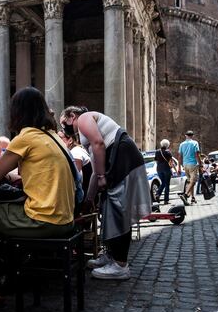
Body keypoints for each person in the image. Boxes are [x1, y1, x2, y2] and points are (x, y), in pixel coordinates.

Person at [0, 87, 75, 274]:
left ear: (17, 112)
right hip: (66, 219)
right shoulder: (52, 136)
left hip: (43, 220)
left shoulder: (26, 136)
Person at [60, 106, 152, 280]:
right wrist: (89, 198)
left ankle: (120, 264)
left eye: (64, 123)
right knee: (109, 207)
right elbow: (95, 168)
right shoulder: (85, 133)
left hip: (123, 157)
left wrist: (102, 176)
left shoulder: (85, 118)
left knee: (119, 209)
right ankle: (111, 255)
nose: (65, 128)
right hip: (119, 157)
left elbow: (99, 145)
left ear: (72, 116)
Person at [58, 124, 92, 190]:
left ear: (70, 140)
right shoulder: (76, 150)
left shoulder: (75, 152)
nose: (58, 140)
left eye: (60, 138)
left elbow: (75, 179)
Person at [178, 130, 202, 204]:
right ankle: (185, 194)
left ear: (186, 136)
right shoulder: (195, 143)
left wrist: (179, 167)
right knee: (193, 182)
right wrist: (200, 164)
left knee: (190, 182)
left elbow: (179, 156)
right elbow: (197, 155)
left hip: (185, 165)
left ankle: (192, 198)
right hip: (193, 164)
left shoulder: (182, 144)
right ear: (192, 136)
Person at [154, 139, 178, 205]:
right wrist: (175, 170)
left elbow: (156, 160)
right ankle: (166, 200)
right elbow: (171, 162)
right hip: (166, 169)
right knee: (167, 184)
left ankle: (158, 194)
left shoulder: (157, 151)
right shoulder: (168, 152)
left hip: (159, 169)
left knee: (163, 183)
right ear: (167, 145)